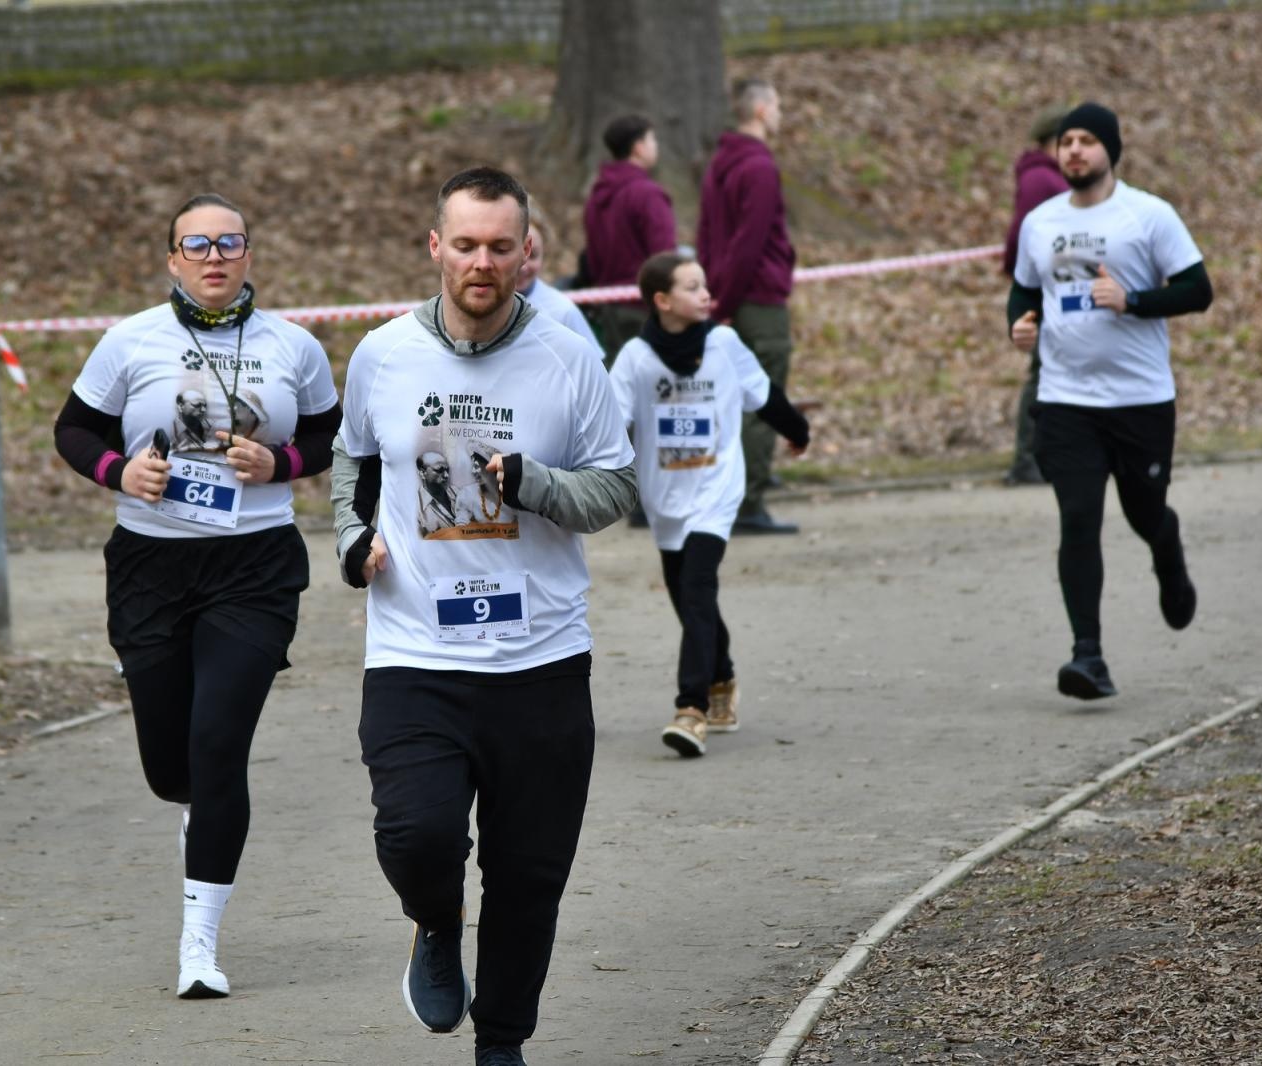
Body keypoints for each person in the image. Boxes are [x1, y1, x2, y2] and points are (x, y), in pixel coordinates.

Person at [331, 166, 636, 1066]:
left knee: (529, 874)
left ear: (526, 251)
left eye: (501, 246)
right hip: (414, 652)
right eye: (464, 244)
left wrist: (534, 484)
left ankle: (501, 1043)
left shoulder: (569, 356)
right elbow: (356, 468)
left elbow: (616, 485)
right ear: (435, 247)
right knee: (416, 834)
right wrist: (353, 546)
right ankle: (434, 918)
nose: (482, 261)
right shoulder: (382, 355)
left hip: (540, 657)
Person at [52, 193, 342, 998]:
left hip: (254, 567)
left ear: (249, 254)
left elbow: (328, 434)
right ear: (174, 259)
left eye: (230, 242)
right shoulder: (129, 341)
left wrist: (280, 464)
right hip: (151, 565)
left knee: (218, 749)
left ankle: (199, 946)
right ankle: (197, 807)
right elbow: (73, 429)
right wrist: (119, 472)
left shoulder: (293, 346)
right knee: (169, 768)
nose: (215, 256)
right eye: (197, 245)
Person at [1006, 103, 1213, 700]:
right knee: (1078, 519)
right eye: (1066, 140)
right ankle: (1087, 656)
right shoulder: (1041, 222)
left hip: (1139, 399)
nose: (1073, 149)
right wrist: (1017, 322)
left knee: (1144, 513)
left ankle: (1167, 552)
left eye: (1087, 140)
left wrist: (1134, 301)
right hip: (1065, 398)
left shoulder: (1149, 215)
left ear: (1110, 151)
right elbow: (1024, 286)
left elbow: (1198, 291)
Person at [609, 252, 810, 757]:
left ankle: (690, 709)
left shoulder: (724, 343)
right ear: (662, 300)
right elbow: (608, 421)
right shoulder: (636, 356)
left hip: (717, 489)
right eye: (694, 287)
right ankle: (722, 678)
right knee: (687, 597)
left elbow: (762, 394)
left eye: (705, 285)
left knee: (698, 587)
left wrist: (797, 430)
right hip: (665, 495)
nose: (707, 295)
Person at [698, 78, 801, 535]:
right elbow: (749, 243)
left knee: (734, 399)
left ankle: (743, 488)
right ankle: (749, 501)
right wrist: (727, 300)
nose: (780, 113)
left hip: (730, 294)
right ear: (760, 110)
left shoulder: (721, 161)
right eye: (777, 104)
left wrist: (711, 292)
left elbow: (709, 236)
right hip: (755, 298)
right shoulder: (758, 166)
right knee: (762, 396)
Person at [1001, 104, 1072, 485]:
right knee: (1043, 373)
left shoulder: (1050, 177)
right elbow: (1022, 235)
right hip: (1047, 288)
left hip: (1063, 287)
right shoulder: (1040, 180)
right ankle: (1026, 458)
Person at [582, 113, 677, 363]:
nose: (656, 146)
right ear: (638, 147)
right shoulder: (648, 195)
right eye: (652, 139)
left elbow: (592, 256)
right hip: (644, 309)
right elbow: (664, 258)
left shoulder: (596, 197)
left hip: (607, 305)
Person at [515, 204, 601, 354]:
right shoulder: (478, 305)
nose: (523, 266)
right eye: (514, 253)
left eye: (533, 255)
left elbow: (593, 367)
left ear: (544, 255)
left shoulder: (563, 311)